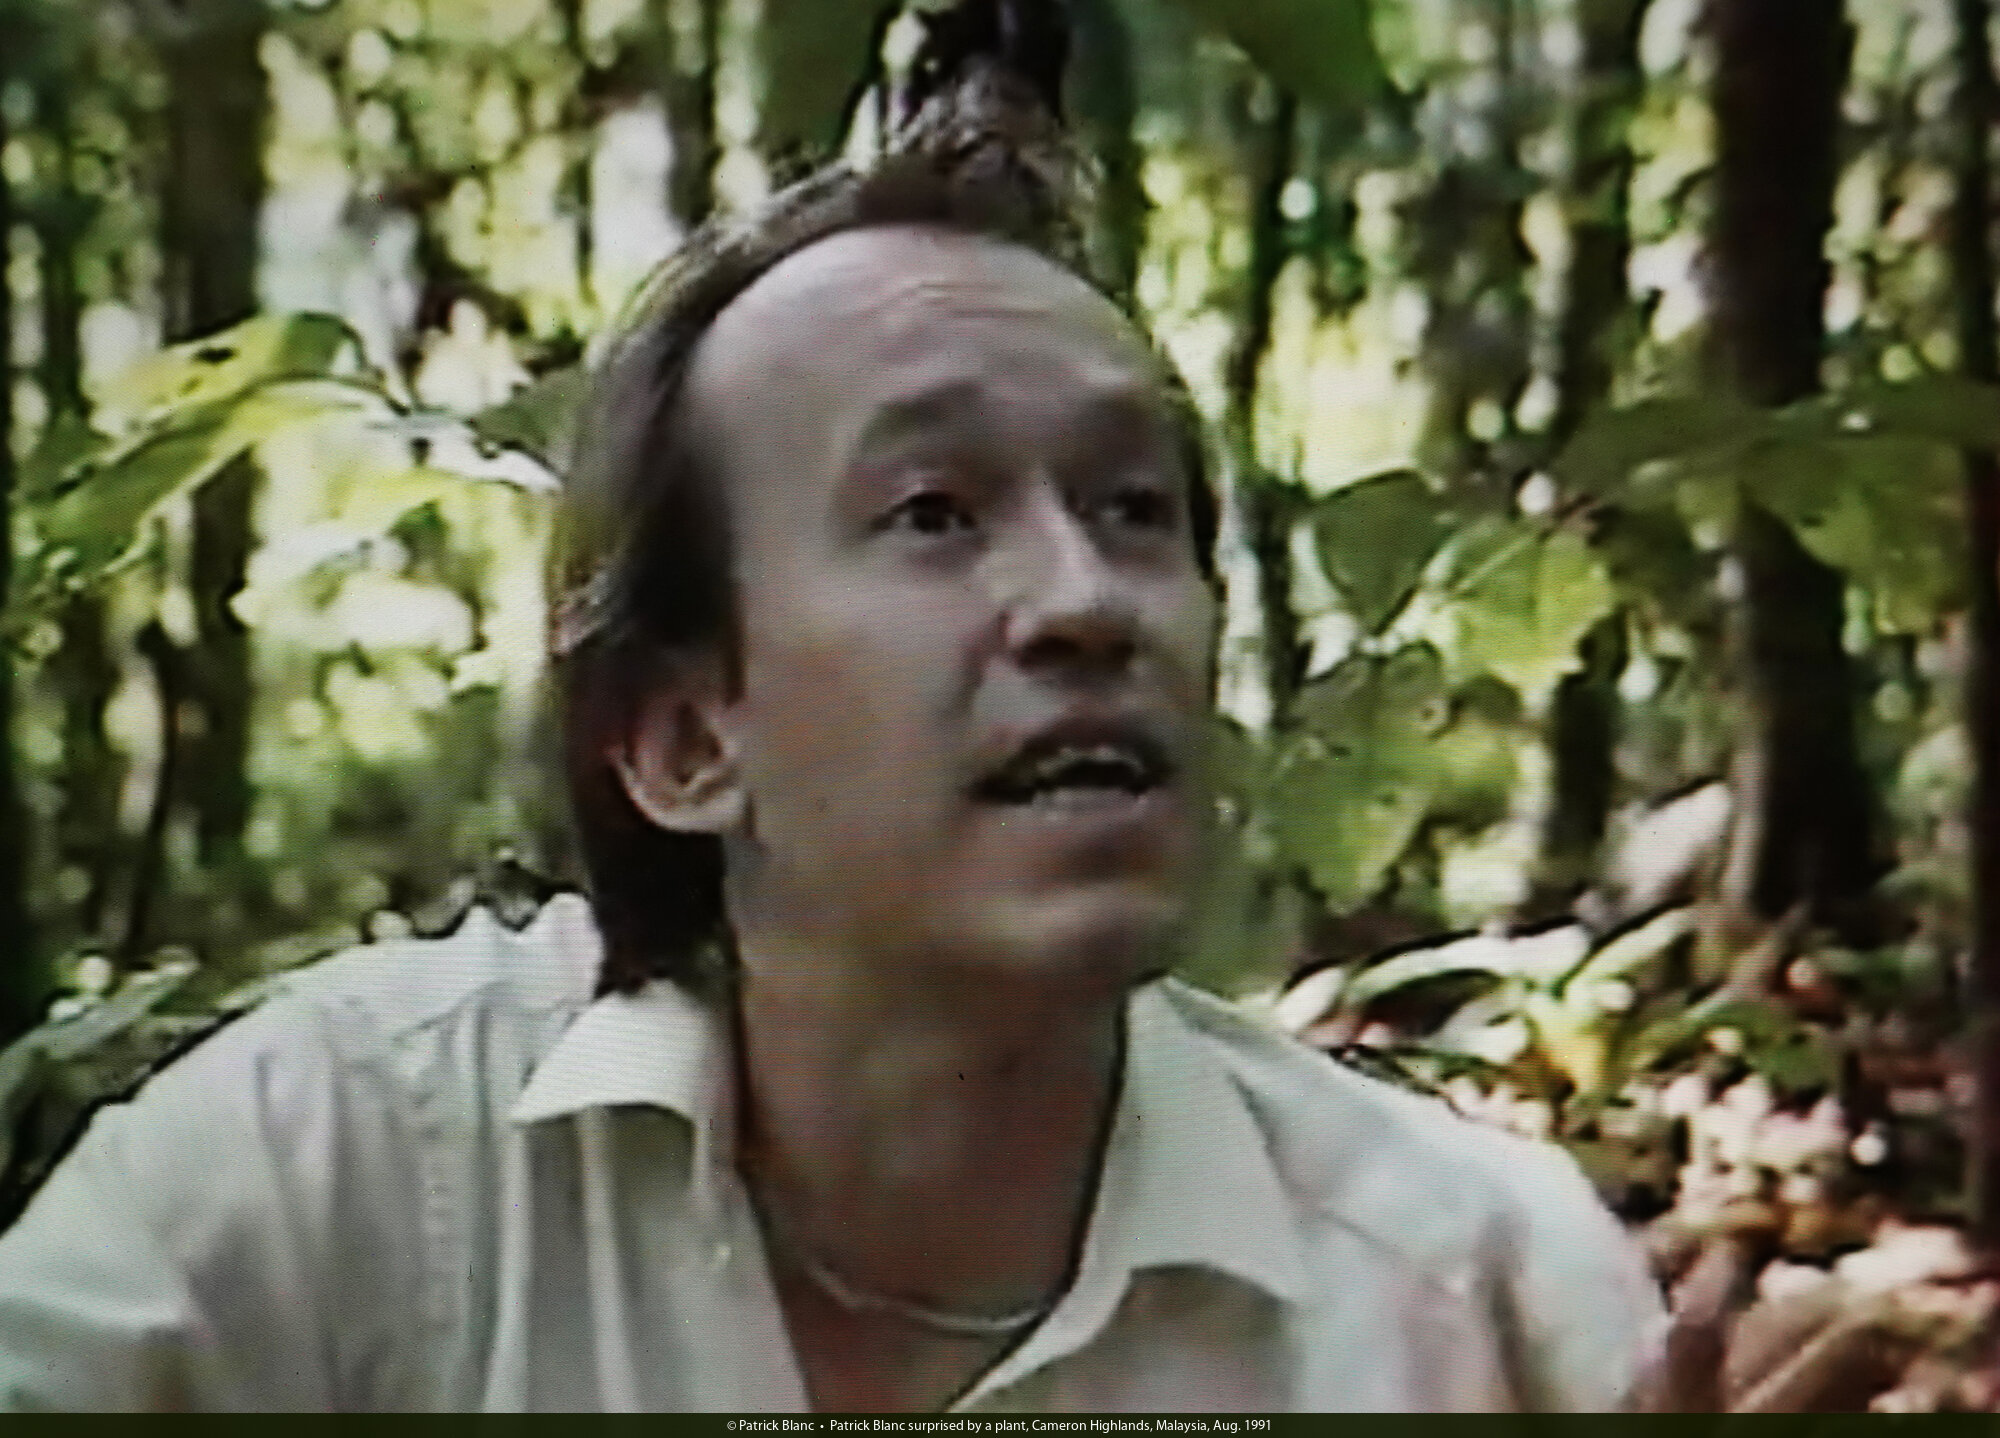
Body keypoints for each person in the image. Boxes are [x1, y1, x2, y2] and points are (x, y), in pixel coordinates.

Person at [0, 1, 1688, 1412]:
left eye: (1134, 509)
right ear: (685, 739)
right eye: (934, 513)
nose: (1089, 601)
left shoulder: (1480, 1304)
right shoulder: (351, 1169)